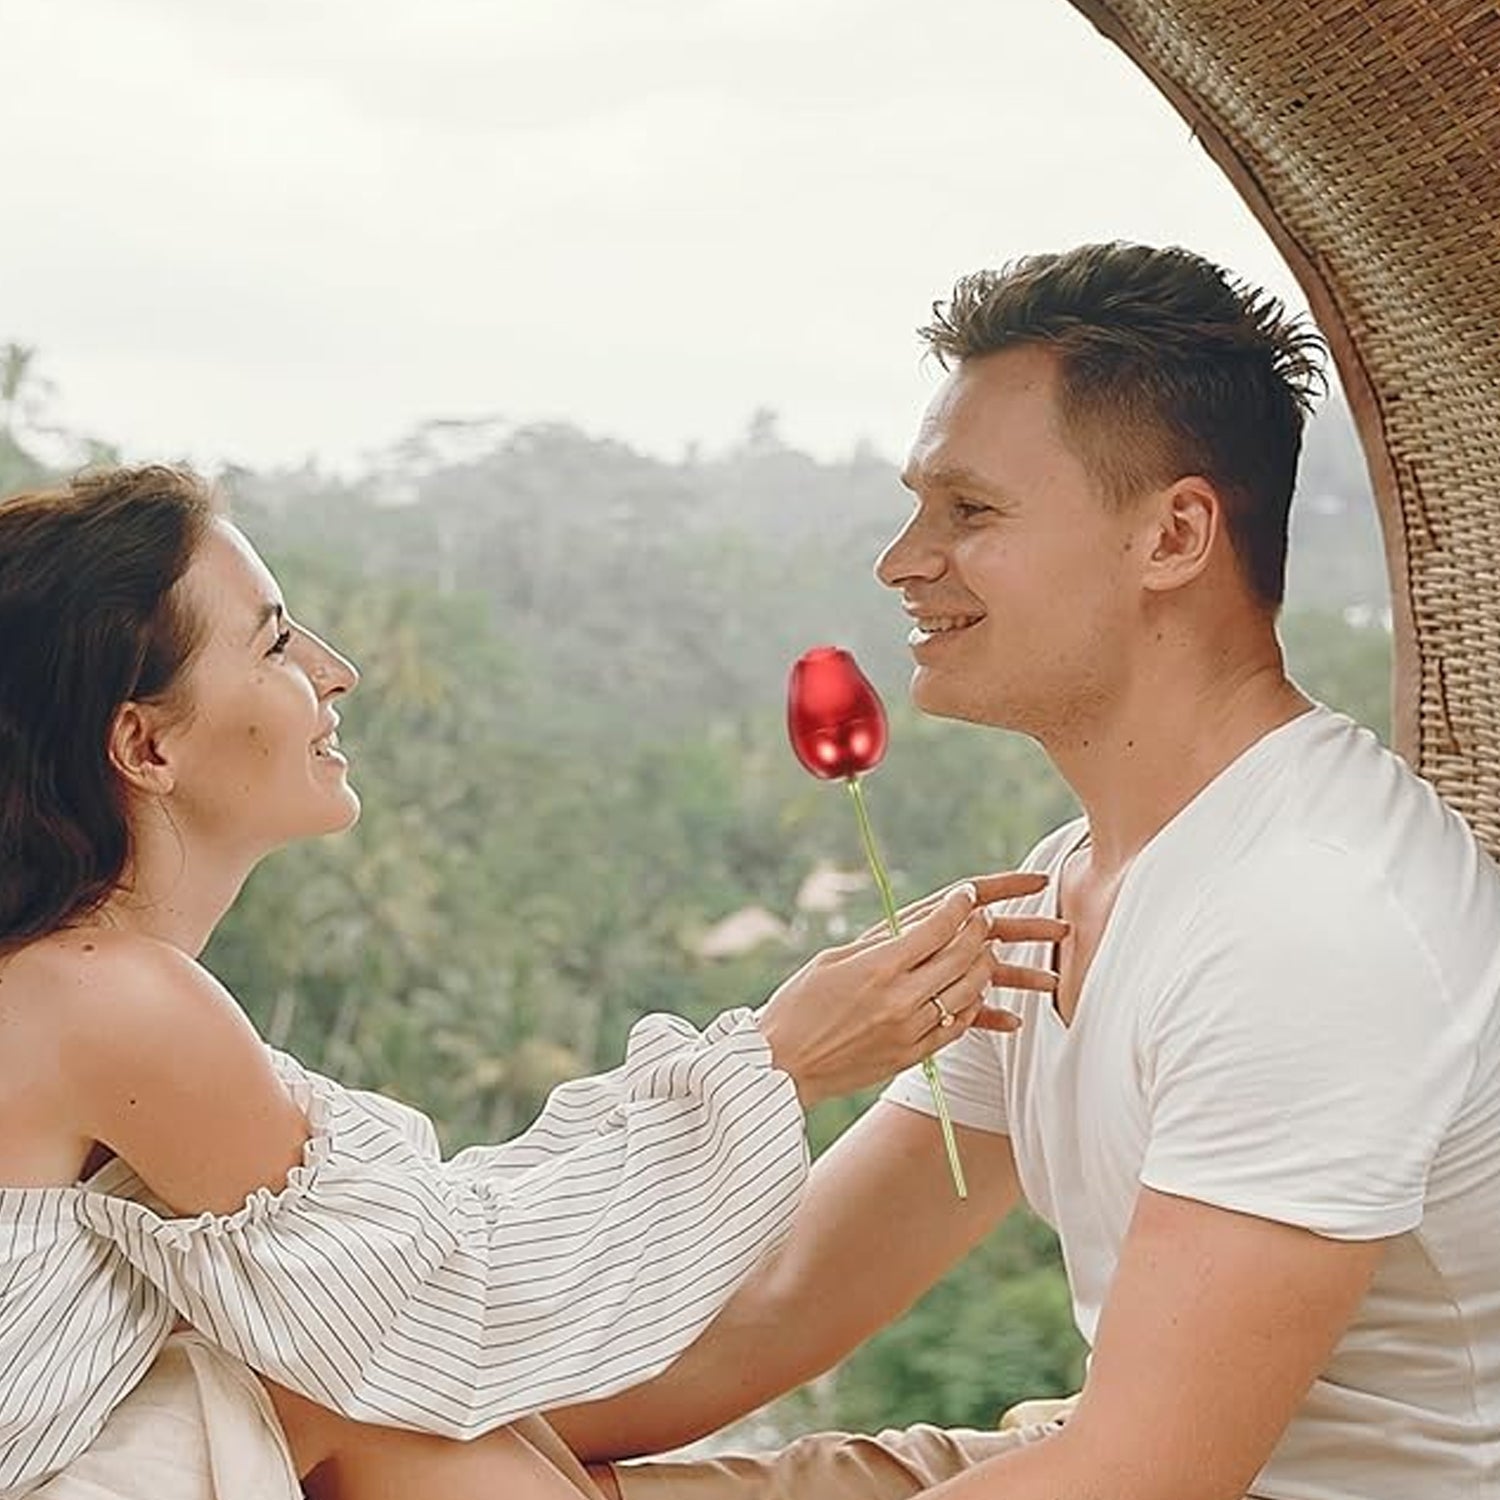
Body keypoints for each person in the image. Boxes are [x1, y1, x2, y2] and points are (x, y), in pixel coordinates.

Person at [550, 242, 1500, 1500]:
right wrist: (374, 1432)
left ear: (1174, 535)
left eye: (970, 512)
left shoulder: (1311, 919)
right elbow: (771, 1309)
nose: (901, 561)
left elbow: (1139, 1476)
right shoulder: (1057, 895)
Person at [0, 465, 1063, 1498]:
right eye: (276, 641)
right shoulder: (106, 1000)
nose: (336, 670)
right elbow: (454, 1303)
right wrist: (780, 1060)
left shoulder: (77, 986)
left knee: (340, 1390)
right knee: (360, 1400)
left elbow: (419, 1252)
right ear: (143, 744)